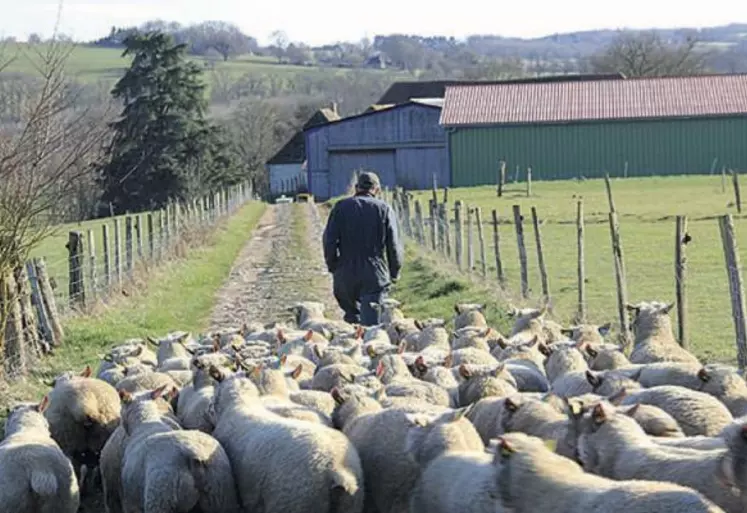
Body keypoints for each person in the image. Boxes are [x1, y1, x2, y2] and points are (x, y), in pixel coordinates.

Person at [322, 171, 404, 326]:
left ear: (356, 188)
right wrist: (394, 272)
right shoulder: (384, 209)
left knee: (351, 323)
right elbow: (393, 245)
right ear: (377, 190)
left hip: (345, 273)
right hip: (374, 273)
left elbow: (329, 241)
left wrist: (333, 266)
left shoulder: (340, 207)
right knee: (371, 326)